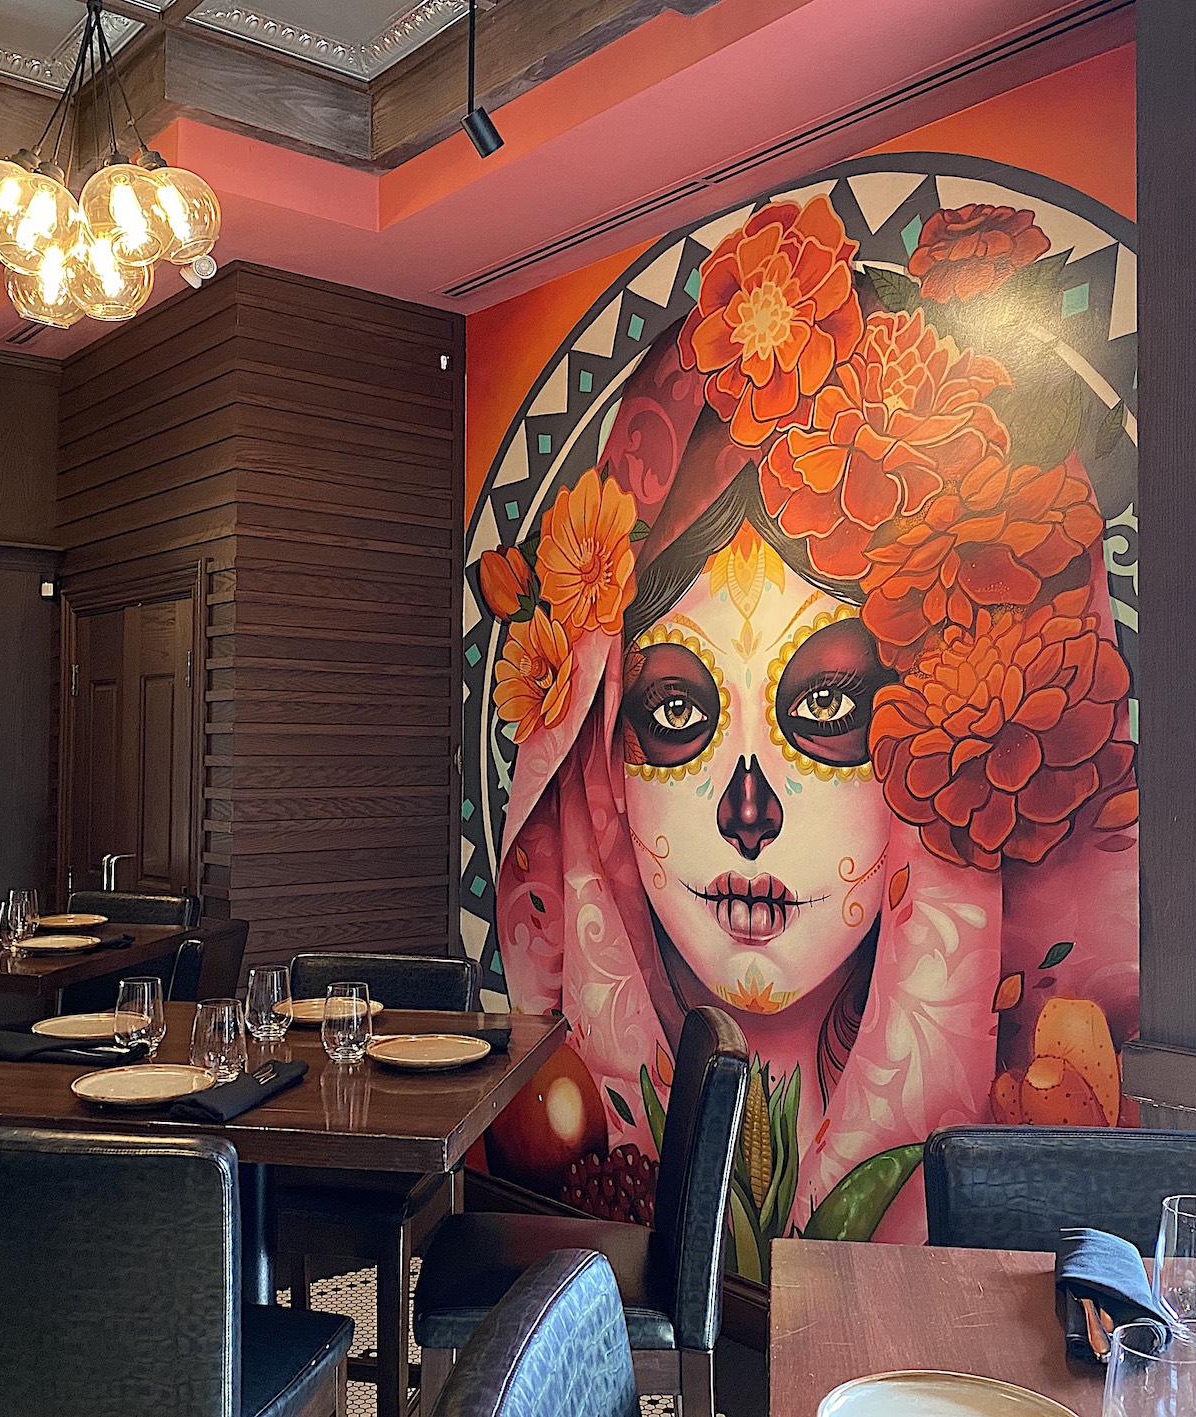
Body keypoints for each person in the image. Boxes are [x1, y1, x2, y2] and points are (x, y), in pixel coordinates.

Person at [479, 193, 1138, 1258]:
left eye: (828, 704)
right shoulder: (549, 1119)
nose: (748, 812)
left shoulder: (1046, 1117)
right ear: (601, 766)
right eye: (677, 710)